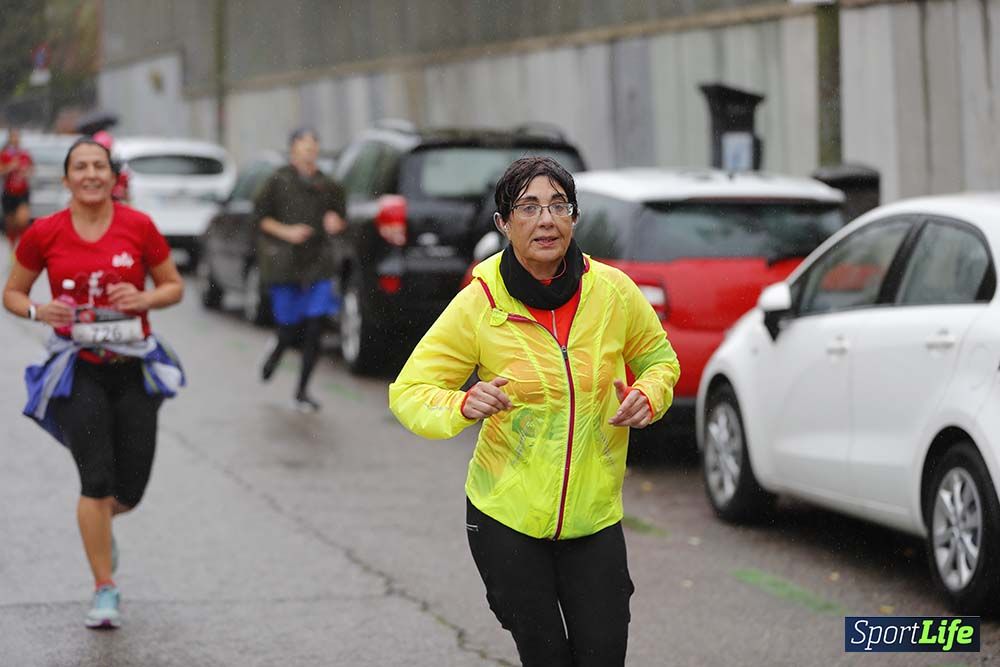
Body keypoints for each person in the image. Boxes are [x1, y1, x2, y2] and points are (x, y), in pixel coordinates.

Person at [389, 157, 680, 666]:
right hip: (507, 519)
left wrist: (650, 394)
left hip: (594, 517)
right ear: (503, 223)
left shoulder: (613, 291)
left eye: (558, 206)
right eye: (528, 207)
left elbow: (659, 359)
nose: (546, 220)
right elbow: (411, 390)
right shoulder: (480, 303)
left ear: (574, 217)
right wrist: (463, 402)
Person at [2, 137, 185, 629]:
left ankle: (101, 527)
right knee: (96, 479)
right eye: (80, 167)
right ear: (66, 179)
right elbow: (12, 294)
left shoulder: (138, 226)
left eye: (99, 166)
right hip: (77, 368)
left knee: (130, 489)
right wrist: (40, 311)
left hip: (133, 367)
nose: (90, 174)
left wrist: (144, 300)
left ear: (113, 176)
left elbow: (174, 286)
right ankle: (105, 586)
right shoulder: (44, 232)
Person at [256, 127, 346, 412]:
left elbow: (341, 217)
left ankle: (302, 391)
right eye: (304, 145)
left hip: (318, 263)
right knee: (289, 329)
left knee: (315, 327)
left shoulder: (329, 185)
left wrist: (336, 222)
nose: (309, 150)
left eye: (313, 145)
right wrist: (288, 232)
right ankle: (277, 350)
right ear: (293, 148)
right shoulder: (277, 181)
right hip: (285, 263)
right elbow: (260, 218)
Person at [1, 127, 35, 247]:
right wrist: (10, 167)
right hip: (9, 192)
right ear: (10, 138)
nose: (16, 139)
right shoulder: (4, 154)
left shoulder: (24, 154)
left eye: (17, 136)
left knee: (23, 220)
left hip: (22, 192)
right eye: (13, 137)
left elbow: (31, 169)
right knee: (11, 224)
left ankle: (22, 246)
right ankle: (12, 247)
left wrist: (27, 172)